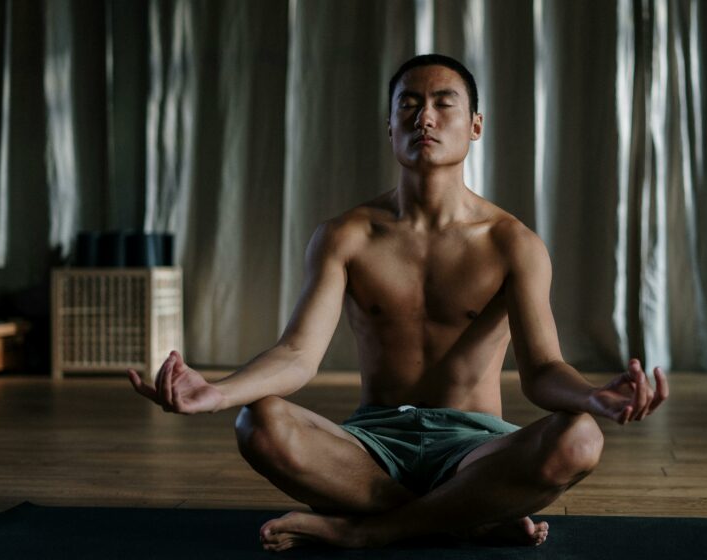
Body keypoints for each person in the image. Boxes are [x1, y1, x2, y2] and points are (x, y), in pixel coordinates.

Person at [128, 54, 668, 552]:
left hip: (476, 448)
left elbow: (543, 370)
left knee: (579, 438)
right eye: (408, 105)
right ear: (390, 127)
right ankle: (469, 515)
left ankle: (367, 532)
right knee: (257, 423)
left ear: (475, 125)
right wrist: (216, 394)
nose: (424, 118)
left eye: (442, 103)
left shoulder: (513, 243)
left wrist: (595, 397)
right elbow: (297, 354)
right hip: (371, 445)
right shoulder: (347, 235)